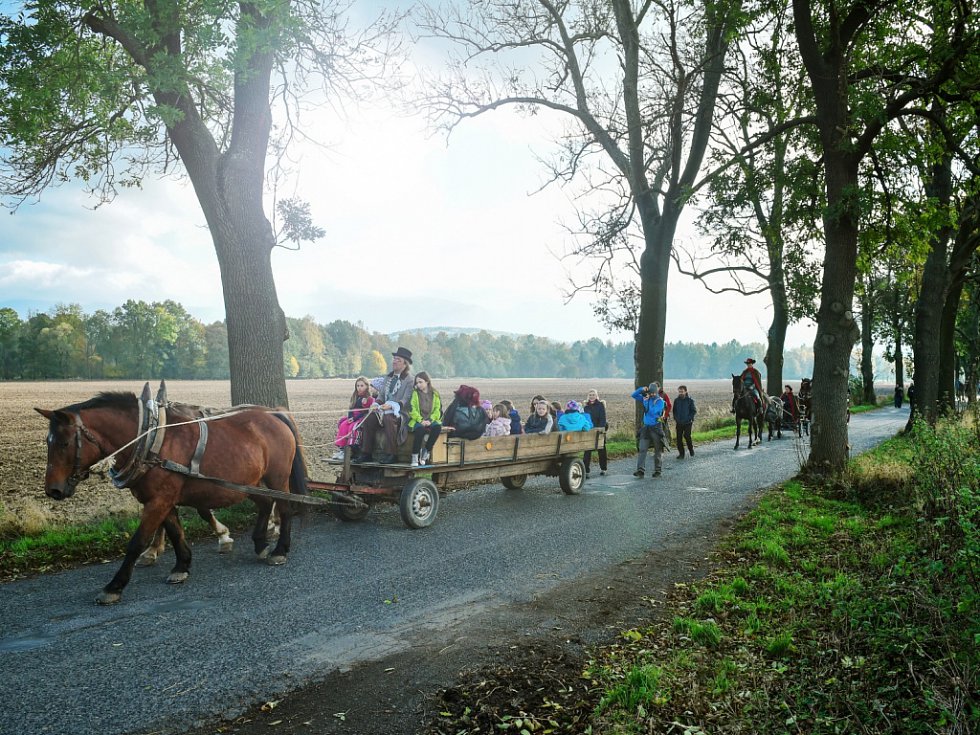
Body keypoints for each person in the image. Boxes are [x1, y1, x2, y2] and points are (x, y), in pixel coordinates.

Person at [355, 347, 415, 464]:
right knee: (369, 418)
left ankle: (391, 453)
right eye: (394, 359)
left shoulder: (410, 380)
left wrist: (392, 405)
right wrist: (376, 403)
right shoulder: (388, 377)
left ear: (405, 364)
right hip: (384, 411)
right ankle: (366, 453)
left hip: (400, 413)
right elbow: (381, 396)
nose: (394, 361)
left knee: (389, 418)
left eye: (398, 359)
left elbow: (406, 400)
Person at [333, 376, 376, 459]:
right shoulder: (355, 396)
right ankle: (342, 449)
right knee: (343, 425)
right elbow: (351, 408)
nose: (359, 388)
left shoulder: (369, 398)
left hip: (361, 417)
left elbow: (366, 411)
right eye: (358, 386)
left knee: (353, 427)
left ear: (367, 386)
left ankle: (351, 449)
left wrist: (355, 419)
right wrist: (350, 417)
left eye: (362, 386)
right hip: (353, 417)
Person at [631, 382, 666, 478]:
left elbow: (654, 412)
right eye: (651, 393)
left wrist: (646, 402)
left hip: (656, 428)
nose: (652, 394)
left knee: (658, 450)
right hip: (646, 428)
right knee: (642, 449)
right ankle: (640, 470)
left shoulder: (660, 401)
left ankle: (658, 470)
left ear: (657, 391)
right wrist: (642, 389)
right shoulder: (647, 397)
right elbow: (633, 395)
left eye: (654, 393)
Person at [408, 371, 442, 467]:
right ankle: (415, 456)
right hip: (418, 420)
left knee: (437, 428)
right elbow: (412, 409)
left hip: (431, 419)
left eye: (420, 382)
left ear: (427, 381)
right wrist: (421, 420)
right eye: (417, 383)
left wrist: (430, 420)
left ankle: (426, 451)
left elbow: (437, 410)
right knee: (420, 430)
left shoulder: (435, 394)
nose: (418, 385)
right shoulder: (415, 393)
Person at [582, 389, 608, 477]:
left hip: (599, 430)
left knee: (602, 450)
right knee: (587, 451)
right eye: (590, 395)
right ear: (588, 396)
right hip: (589, 431)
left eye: (593, 395)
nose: (592, 396)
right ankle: (586, 471)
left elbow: (603, 418)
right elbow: (584, 419)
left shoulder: (600, 405)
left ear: (596, 396)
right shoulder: (586, 407)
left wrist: (601, 429)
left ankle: (603, 469)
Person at [673, 385, 697, 459]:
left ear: (685, 391)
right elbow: (674, 411)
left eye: (682, 391)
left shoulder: (690, 401)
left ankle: (691, 449)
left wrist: (689, 418)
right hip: (679, 422)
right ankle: (681, 454)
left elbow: (693, 411)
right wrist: (676, 419)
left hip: (688, 423)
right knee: (679, 439)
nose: (680, 393)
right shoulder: (676, 401)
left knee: (687, 436)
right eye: (679, 391)